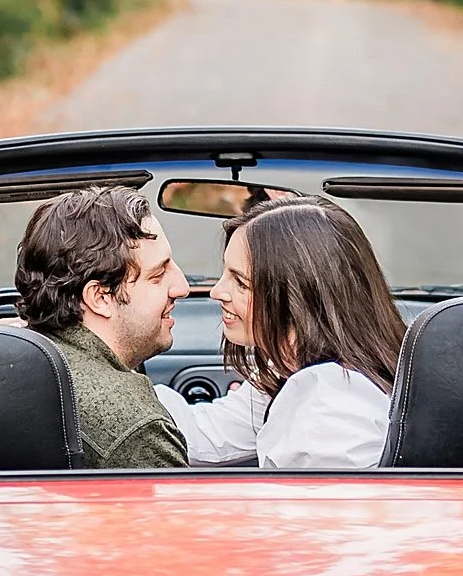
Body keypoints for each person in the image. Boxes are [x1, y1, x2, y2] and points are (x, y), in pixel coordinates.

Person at [156, 195, 405, 470]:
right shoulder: (293, 371)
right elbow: (207, 434)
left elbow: (313, 507)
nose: (217, 292)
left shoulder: (329, 408)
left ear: (298, 297)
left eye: (240, 282)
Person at [15, 184, 190, 469]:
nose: (181, 287)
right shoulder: (136, 429)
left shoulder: (13, 353)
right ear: (100, 297)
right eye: (158, 275)